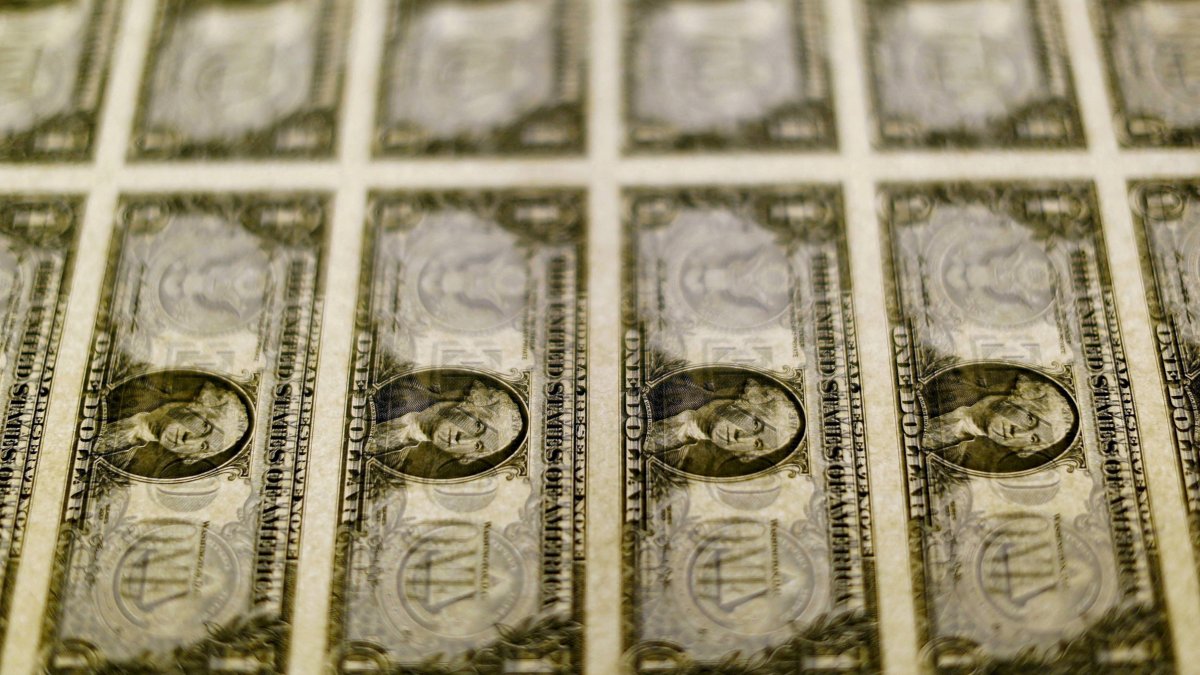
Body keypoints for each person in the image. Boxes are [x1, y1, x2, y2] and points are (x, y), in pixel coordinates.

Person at [922, 369, 1075, 473]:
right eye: (1030, 419)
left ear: (1024, 450)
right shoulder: (953, 379)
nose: (1018, 432)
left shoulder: (956, 464)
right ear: (1020, 397)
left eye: (1033, 439)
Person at [647, 378, 801, 478]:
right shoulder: (677, 386)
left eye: (757, 444)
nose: (741, 438)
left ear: (746, 455)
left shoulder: (678, 469)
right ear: (744, 401)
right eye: (755, 424)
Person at [371, 379, 523, 479]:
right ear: (468, 404)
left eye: (478, 446)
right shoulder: (402, 387)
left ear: (467, 457)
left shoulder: (394, 467)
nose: (462, 440)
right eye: (478, 426)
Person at [95, 381, 249, 479]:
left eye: (203, 446)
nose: (188, 440)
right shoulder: (132, 387)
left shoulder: (122, 470)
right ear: (193, 406)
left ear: (192, 456)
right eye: (204, 426)